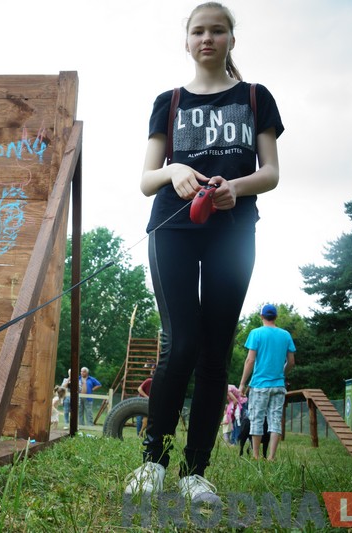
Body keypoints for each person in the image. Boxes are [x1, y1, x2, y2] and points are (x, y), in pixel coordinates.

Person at [126, 2, 284, 505]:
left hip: (233, 231)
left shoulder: (255, 97)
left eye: (218, 30)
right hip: (173, 226)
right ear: (187, 41)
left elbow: (271, 172)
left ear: (232, 39)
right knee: (181, 343)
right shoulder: (168, 101)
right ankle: (152, 462)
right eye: (198, 31)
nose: (207, 38)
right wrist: (174, 171)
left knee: (216, 350)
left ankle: (195, 472)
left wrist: (235, 187)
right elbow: (147, 179)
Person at [239, 304, 295, 460]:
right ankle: (271, 457)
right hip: (278, 386)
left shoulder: (256, 333)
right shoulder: (286, 335)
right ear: (276, 317)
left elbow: (250, 360)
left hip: (259, 386)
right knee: (275, 420)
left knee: (256, 419)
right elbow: (291, 362)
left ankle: (256, 456)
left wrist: (242, 383)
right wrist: (281, 374)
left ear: (261, 316)